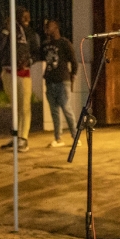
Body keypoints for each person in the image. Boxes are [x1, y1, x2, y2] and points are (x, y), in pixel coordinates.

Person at [0, 6, 40, 152]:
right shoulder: (8, 30)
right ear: (17, 17)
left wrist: (29, 61)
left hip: (23, 73)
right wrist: (6, 31)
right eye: (24, 17)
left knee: (25, 106)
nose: (28, 19)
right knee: (15, 107)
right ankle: (15, 137)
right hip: (8, 72)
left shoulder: (31, 34)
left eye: (28, 17)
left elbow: (38, 52)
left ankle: (23, 138)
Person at [40, 19, 77, 147]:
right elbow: (39, 56)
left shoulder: (64, 43)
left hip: (62, 80)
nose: (46, 29)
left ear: (56, 28)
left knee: (66, 108)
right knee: (54, 111)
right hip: (50, 80)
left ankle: (75, 136)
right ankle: (58, 138)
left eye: (49, 26)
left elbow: (74, 61)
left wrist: (72, 77)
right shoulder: (45, 45)